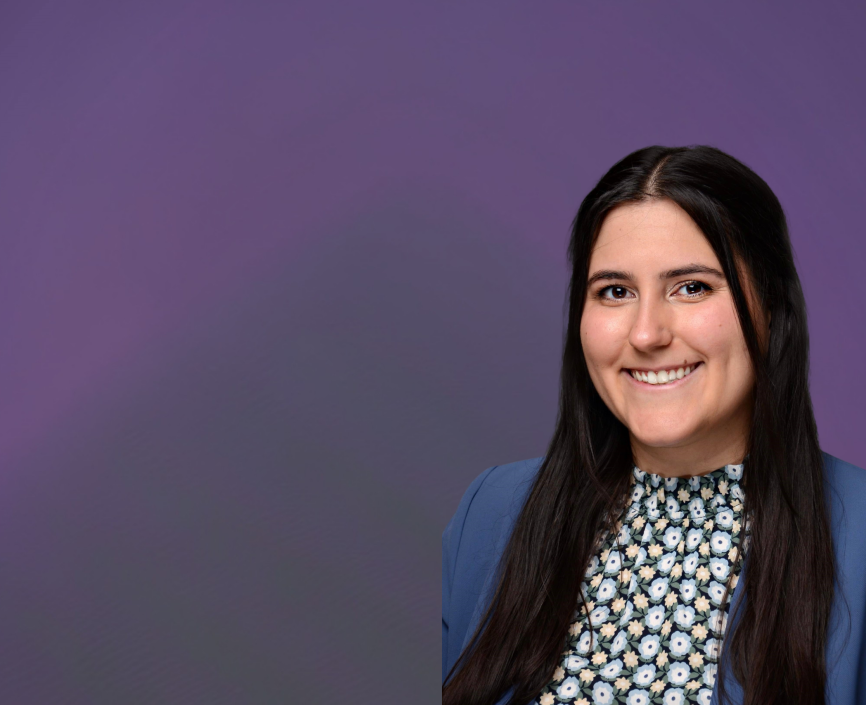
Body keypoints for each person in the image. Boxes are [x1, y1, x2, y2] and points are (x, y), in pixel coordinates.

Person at [441, 145, 866, 705]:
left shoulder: (856, 534)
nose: (646, 334)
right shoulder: (489, 512)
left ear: (772, 306)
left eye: (692, 287)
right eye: (615, 292)